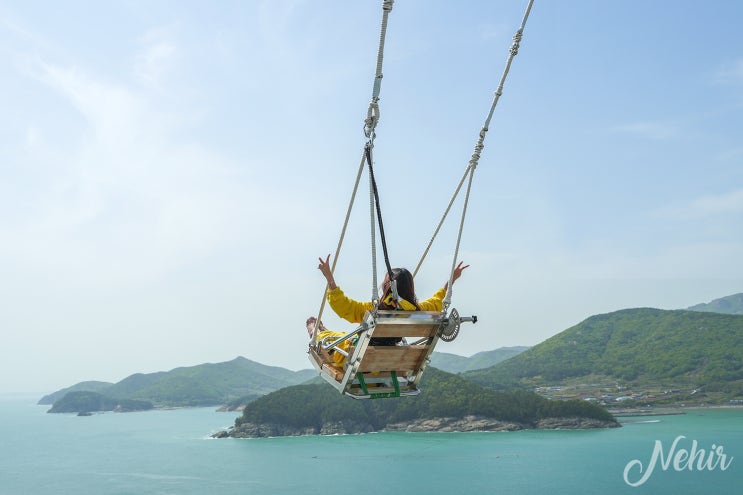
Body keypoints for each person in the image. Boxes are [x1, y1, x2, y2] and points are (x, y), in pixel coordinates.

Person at [316, 254, 469, 339]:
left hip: (364, 360)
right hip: (392, 362)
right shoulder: (417, 311)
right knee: (336, 335)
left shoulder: (375, 311)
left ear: (387, 287)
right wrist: (452, 281)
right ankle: (319, 328)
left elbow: (345, 307)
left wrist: (330, 279)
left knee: (326, 337)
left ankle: (315, 329)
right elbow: (437, 302)